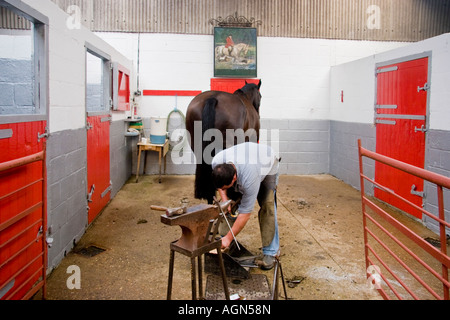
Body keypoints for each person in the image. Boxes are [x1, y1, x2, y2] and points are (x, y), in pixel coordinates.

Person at [211, 142, 280, 270]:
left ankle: (271, 252)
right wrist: (225, 199)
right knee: (230, 203)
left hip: (267, 164)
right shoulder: (217, 162)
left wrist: (229, 238)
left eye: (226, 186)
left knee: (267, 206)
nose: (223, 189)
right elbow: (220, 186)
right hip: (248, 157)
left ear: (234, 178)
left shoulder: (249, 178)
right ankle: (225, 240)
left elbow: (245, 214)